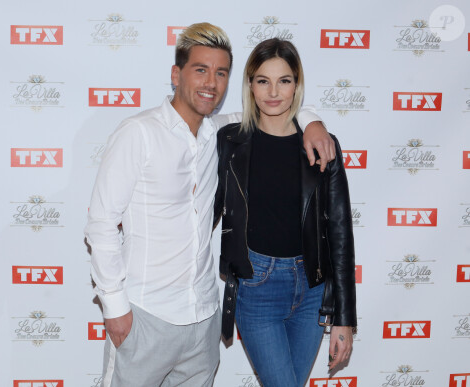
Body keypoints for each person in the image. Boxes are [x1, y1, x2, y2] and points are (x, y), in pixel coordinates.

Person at [85, 23, 334, 387]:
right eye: (200, 70)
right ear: (176, 74)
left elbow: (277, 106)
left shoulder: (222, 134)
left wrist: (313, 122)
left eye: (221, 73)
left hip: (203, 320)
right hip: (145, 315)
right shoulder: (138, 133)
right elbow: (101, 224)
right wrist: (114, 308)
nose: (211, 83)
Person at [214, 37, 357, 387]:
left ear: (297, 85)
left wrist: (344, 317)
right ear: (249, 85)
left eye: (285, 80)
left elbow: (340, 233)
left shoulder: (323, 145)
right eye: (263, 80)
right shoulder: (228, 140)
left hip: (311, 290)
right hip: (257, 285)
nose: (273, 92)